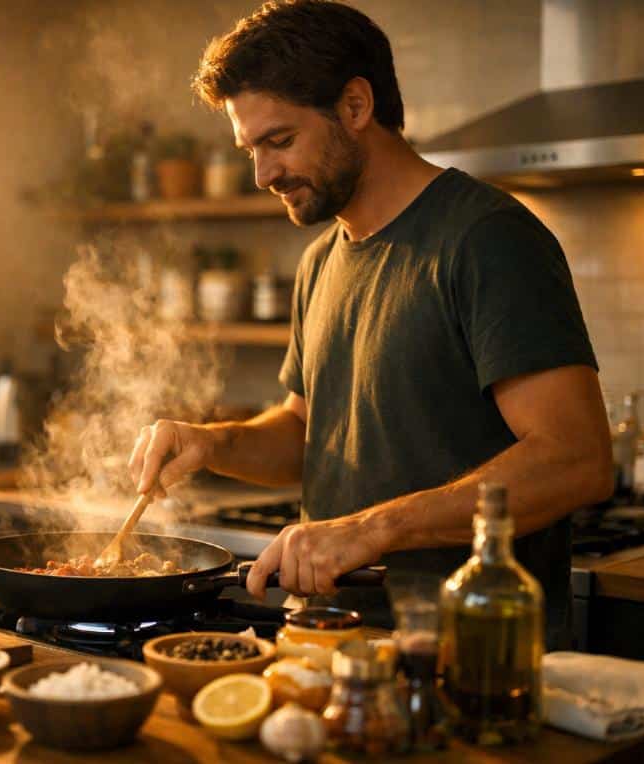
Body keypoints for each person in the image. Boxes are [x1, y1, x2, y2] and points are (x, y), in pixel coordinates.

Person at [127, 0, 612, 650]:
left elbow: (575, 461)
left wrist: (369, 528)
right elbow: (307, 432)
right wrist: (211, 443)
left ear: (355, 106)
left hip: (467, 654)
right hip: (331, 646)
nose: (263, 174)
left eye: (279, 141)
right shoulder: (321, 259)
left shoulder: (484, 239)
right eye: (251, 149)